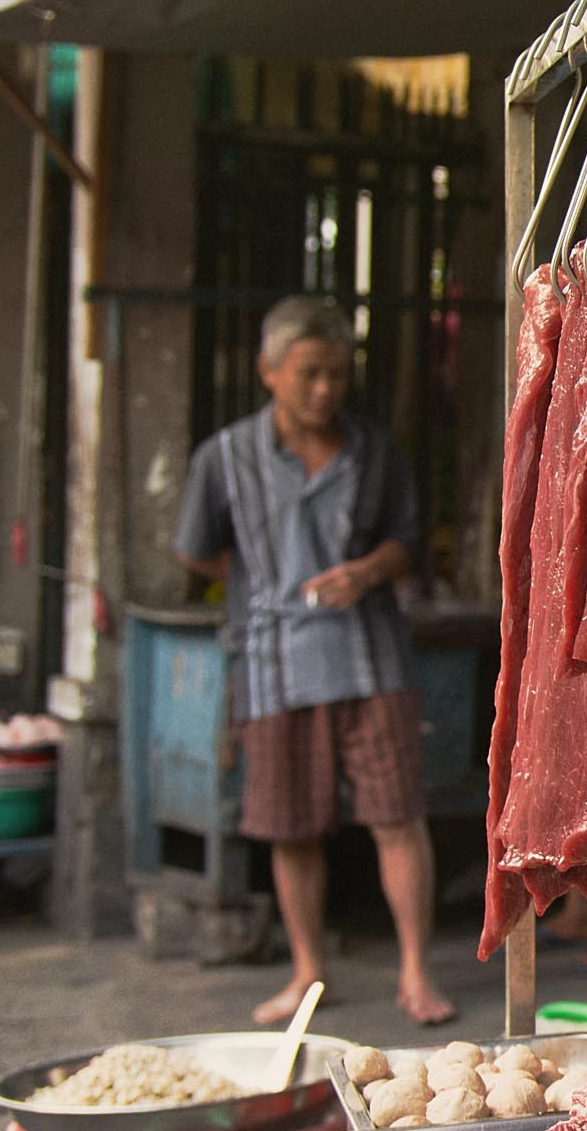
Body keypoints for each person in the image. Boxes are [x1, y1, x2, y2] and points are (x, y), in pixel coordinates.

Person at [175, 295, 451, 1029]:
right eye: (309, 374)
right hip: (271, 663)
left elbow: (406, 541)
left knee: (397, 816)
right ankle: (306, 973)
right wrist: (260, 574)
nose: (326, 389)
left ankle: (416, 973)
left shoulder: (375, 452)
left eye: (337, 374)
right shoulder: (224, 458)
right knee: (290, 824)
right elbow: (196, 550)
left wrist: (363, 573)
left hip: (370, 660)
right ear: (269, 372)